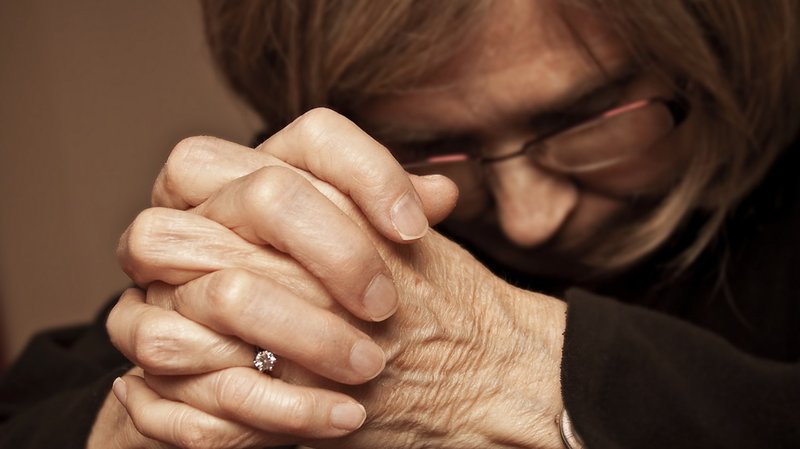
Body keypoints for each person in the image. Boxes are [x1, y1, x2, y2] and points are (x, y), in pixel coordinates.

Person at [1, 0, 799, 448]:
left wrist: (528, 364)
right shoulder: (331, 178)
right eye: (433, 148)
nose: (529, 216)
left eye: (593, 119)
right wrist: (149, 415)